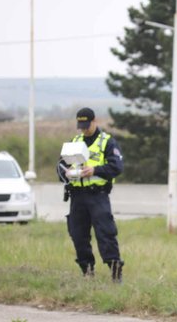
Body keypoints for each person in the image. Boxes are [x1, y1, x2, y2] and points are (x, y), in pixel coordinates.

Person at [57, 107, 125, 283]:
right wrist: (65, 173)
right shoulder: (74, 142)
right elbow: (60, 166)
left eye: (87, 125)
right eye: (81, 126)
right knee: (78, 234)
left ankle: (115, 272)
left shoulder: (107, 142)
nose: (84, 129)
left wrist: (95, 170)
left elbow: (116, 167)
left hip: (98, 196)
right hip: (77, 196)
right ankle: (87, 271)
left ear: (95, 121)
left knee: (106, 233)